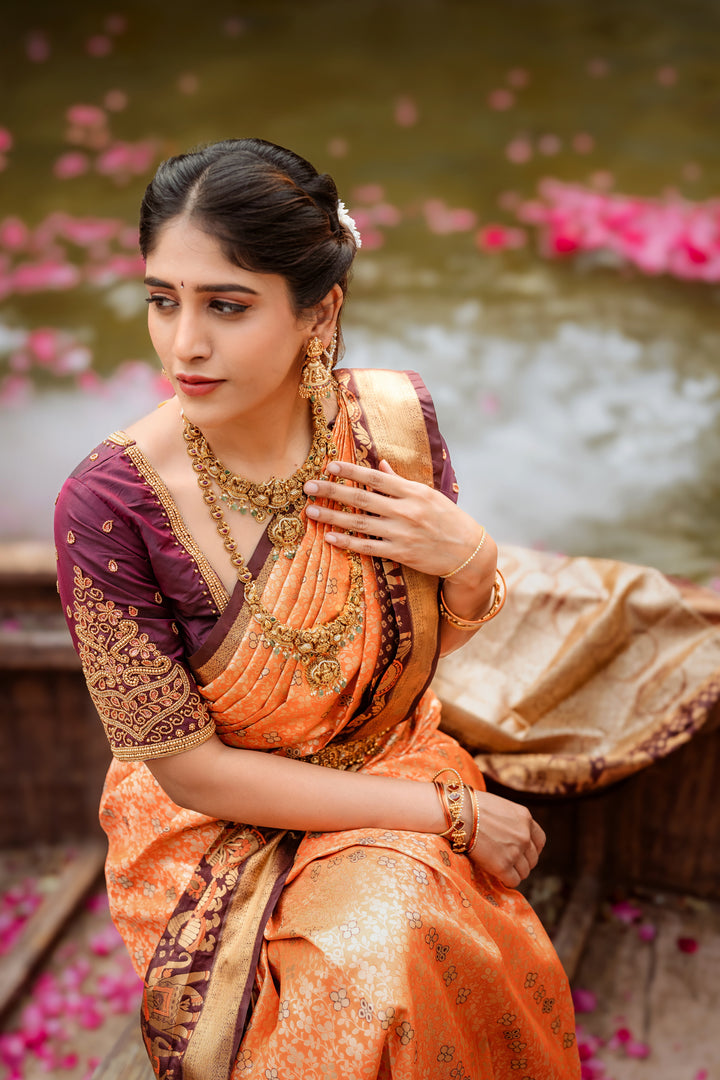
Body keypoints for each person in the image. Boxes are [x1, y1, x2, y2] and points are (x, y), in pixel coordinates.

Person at [55, 138, 581, 1079]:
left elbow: (412, 651)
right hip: (214, 827)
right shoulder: (109, 505)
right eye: (161, 300)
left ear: (318, 308)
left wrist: (472, 561)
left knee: (401, 935)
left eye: (227, 305)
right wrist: (453, 816)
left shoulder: (389, 431)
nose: (185, 344)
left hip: (392, 759)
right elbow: (190, 774)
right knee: (372, 963)